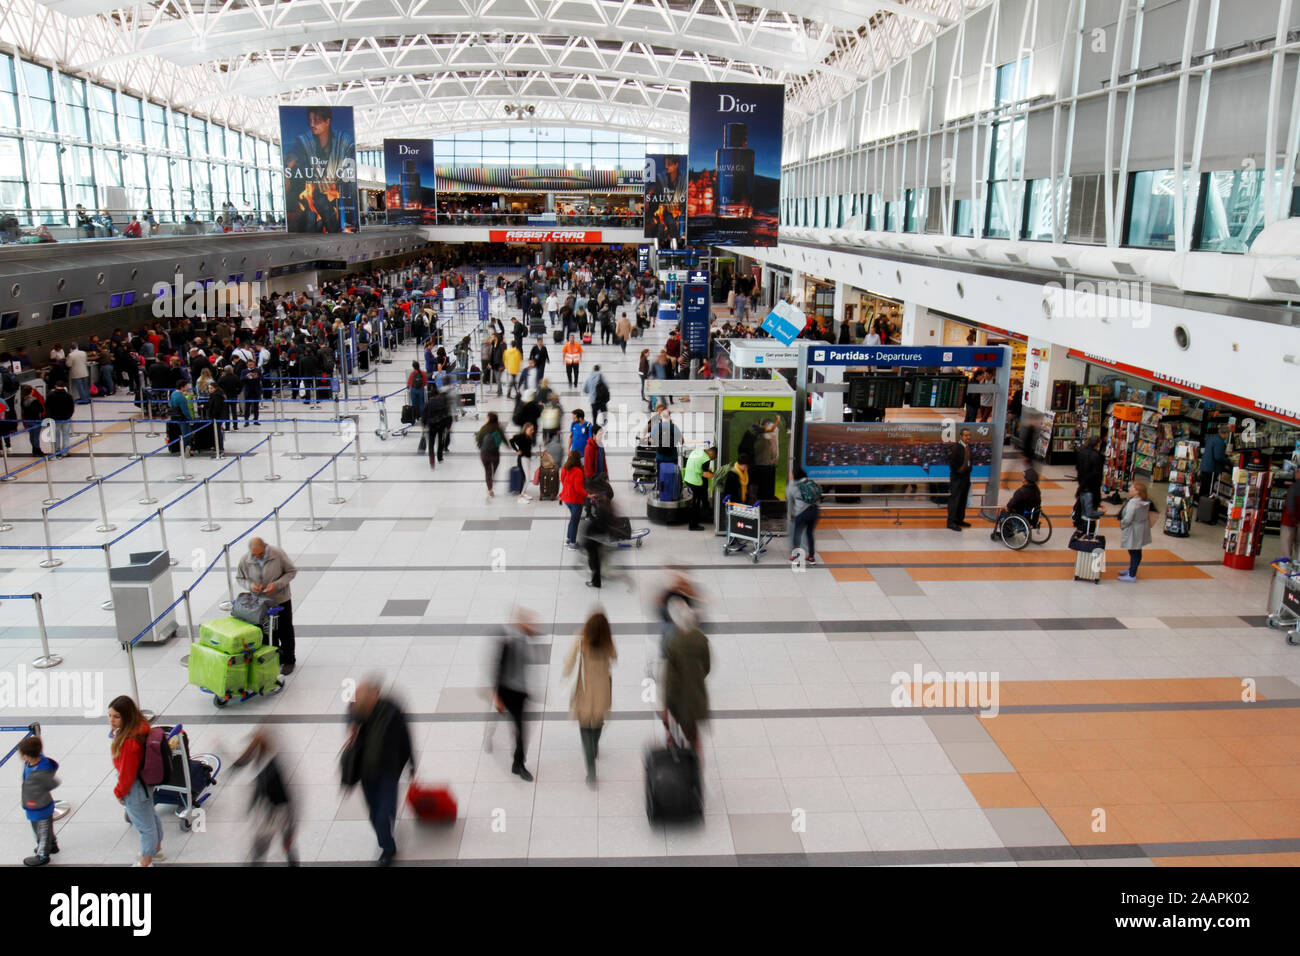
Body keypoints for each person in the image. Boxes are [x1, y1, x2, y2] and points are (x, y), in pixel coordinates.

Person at [344, 678, 415, 866]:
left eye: (365, 703)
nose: (362, 708)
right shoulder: (355, 710)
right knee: (374, 813)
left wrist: (411, 762)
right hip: (366, 772)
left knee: (384, 814)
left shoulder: (391, 710)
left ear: (374, 697)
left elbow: (406, 736)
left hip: (388, 770)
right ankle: (385, 833)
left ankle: (388, 849)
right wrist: (351, 728)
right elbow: (349, 721)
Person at [563, 611, 617, 786]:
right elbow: (614, 658)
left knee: (585, 727)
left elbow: (569, 664)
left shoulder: (581, 641)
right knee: (598, 723)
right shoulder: (608, 642)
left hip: (584, 691)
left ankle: (591, 771)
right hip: (603, 690)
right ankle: (594, 747)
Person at [109, 696, 163, 867]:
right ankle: (156, 850)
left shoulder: (129, 742)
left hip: (134, 788)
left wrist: (119, 792)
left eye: (116, 717)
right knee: (151, 818)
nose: (112, 720)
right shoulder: (140, 729)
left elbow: (127, 773)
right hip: (144, 784)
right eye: (110, 716)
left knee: (144, 827)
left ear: (127, 716)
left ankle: (146, 862)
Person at [231, 729, 298, 866]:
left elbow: (277, 795)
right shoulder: (270, 764)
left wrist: (250, 808)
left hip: (273, 815)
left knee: (261, 848)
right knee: (285, 845)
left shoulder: (269, 770)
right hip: (277, 813)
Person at [236, 537, 299, 674]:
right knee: (267, 631)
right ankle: (274, 657)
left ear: (265, 547)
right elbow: (240, 578)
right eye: (255, 555)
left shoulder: (277, 554)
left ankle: (289, 660)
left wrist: (276, 585)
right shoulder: (246, 559)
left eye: (260, 554)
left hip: (280, 599)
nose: (257, 557)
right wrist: (251, 586)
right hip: (260, 603)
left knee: (285, 630)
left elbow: (291, 572)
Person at [662, 597, 710, 755]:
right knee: (694, 737)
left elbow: (671, 680)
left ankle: (685, 765)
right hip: (697, 695)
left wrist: (666, 704)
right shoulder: (701, 639)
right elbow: (707, 667)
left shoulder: (674, 644)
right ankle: (697, 767)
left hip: (679, 699)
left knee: (675, 731)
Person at [494, 616, 537, 781]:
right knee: (520, 730)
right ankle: (519, 765)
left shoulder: (524, 640)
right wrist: (498, 697)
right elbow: (499, 670)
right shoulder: (509, 642)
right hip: (510, 692)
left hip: (520, 692)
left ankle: (517, 763)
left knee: (520, 729)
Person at [18, 735, 60, 867]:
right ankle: (51, 845)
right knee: (44, 829)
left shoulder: (41, 770)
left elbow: (52, 783)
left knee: (41, 831)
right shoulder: (31, 763)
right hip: (33, 805)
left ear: (27, 755)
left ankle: (42, 855)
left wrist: (40, 790)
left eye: (22, 754)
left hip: (40, 806)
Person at [1118, 481, 1156, 582]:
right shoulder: (1145, 501)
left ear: (1137, 491)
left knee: (1134, 551)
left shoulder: (1133, 503)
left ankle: (1132, 575)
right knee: (1135, 549)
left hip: (1133, 529)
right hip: (1141, 528)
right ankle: (1131, 569)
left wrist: (1123, 525)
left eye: (1132, 488)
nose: (1130, 489)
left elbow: (1128, 518)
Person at [991, 468, 1042, 540]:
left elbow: (1012, 503)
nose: (1022, 478)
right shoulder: (1037, 490)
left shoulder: (1022, 492)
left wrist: (1007, 507)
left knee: (1003, 512)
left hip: (1021, 515)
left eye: (1023, 477)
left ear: (1026, 480)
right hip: (1031, 516)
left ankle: (1005, 534)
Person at [788, 464, 822, 563]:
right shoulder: (810, 483)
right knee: (809, 533)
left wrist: (791, 515)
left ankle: (795, 555)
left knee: (796, 533)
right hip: (815, 511)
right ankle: (811, 557)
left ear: (795, 475)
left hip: (802, 513)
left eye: (791, 473)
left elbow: (790, 503)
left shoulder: (793, 487)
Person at [946, 427, 974, 531]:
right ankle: (951, 522)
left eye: (969, 435)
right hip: (957, 478)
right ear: (961, 436)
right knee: (955, 500)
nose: (968, 437)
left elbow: (971, 461)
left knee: (963, 499)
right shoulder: (956, 448)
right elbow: (953, 463)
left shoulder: (968, 447)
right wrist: (960, 471)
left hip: (966, 478)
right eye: (966, 435)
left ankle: (959, 519)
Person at [683, 445, 717, 531]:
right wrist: (716, 475)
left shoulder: (697, 451)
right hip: (695, 483)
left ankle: (705, 510)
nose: (713, 459)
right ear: (711, 453)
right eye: (714, 457)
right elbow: (706, 474)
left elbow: (700, 467)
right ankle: (693, 526)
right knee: (695, 504)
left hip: (688, 478)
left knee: (697, 500)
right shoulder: (706, 458)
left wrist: (710, 472)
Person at [475, 412, 507, 499]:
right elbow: (504, 439)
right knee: (493, 470)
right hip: (495, 453)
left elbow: (478, 439)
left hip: (484, 453)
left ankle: (490, 489)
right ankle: (492, 479)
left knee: (487, 471)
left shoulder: (484, 428)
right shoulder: (498, 428)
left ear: (489, 419)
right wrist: (509, 446)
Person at [560, 449, 587, 550]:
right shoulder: (578, 471)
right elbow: (578, 489)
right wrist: (587, 495)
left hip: (566, 498)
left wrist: (568, 488)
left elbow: (562, 480)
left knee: (573, 519)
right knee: (575, 521)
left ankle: (568, 539)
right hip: (575, 500)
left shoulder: (564, 468)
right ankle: (572, 543)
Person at [1199, 425, 1231, 500]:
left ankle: (1200, 501)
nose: (1227, 436)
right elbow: (1218, 457)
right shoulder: (1219, 442)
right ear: (1225, 433)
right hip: (1212, 468)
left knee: (1203, 486)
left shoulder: (1212, 438)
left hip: (1205, 466)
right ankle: (1205, 503)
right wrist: (1228, 461)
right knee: (1208, 487)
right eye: (1228, 434)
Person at [1075, 435, 1104, 513]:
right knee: (1091, 508)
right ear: (1097, 444)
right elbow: (1097, 472)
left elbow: (1078, 467)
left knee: (1082, 503)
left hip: (1082, 482)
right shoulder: (1097, 456)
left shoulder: (1081, 452)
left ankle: (1080, 518)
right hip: (1092, 485)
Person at [45, 381, 73, 459]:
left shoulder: (50, 395)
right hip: (65, 418)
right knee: (66, 435)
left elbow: (47, 407)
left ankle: (57, 451)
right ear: (64, 387)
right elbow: (71, 408)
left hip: (55, 419)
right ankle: (65, 452)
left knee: (56, 436)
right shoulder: (68, 395)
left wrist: (49, 417)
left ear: (55, 386)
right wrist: (69, 415)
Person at [510, 421, 536, 503]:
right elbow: (511, 440)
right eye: (530, 430)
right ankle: (520, 497)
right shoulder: (521, 436)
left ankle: (523, 493)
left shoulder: (529, 436)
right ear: (526, 429)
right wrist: (517, 450)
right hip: (522, 459)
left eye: (533, 430)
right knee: (526, 478)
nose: (532, 431)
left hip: (527, 458)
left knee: (525, 477)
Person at [1281, 479, 1300, 561]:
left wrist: (1295, 520)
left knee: (1286, 543)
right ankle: (1297, 565)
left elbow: (1291, 506)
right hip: (1295, 520)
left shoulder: (1294, 487)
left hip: (1289, 521)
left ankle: (1286, 564)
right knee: (1298, 544)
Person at [241, 359, 262, 425]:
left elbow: (262, 378)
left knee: (256, 407)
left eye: (252, 364)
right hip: (248, 391)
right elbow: (241, 379)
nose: (251, 366)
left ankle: (256, 420)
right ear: (247, 365)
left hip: (256, 391)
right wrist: (247, 376)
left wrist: (257, 377)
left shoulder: (258, 370)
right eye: (249, 364)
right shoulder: (244, 371)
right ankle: (246, 420)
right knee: (247, 407)